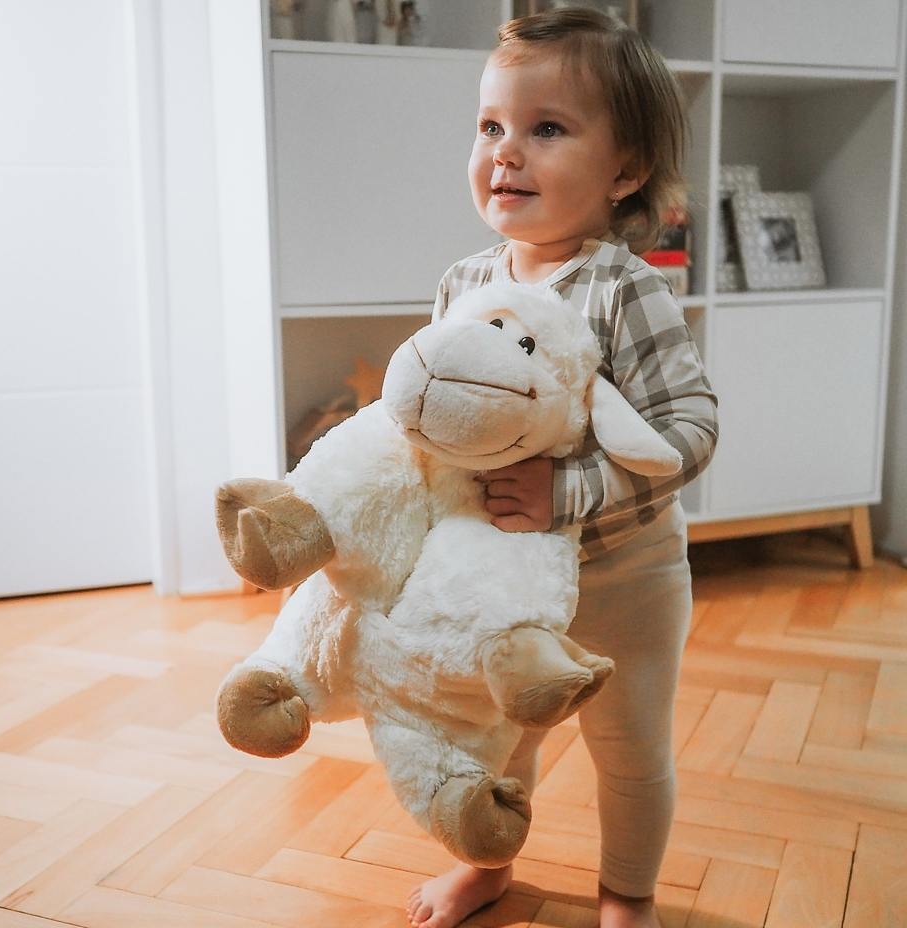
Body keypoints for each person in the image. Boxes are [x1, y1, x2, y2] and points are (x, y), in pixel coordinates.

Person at [405, 9, 719, 928]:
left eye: (546, 128)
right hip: (503, 577)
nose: (506, 152)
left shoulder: (628, 287)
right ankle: (490, 863)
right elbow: (436, 420)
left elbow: (688, 429)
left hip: (626, 577)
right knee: (493, 739)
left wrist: (568, 493)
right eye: (491, 126)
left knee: (628, 753)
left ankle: (627, 894)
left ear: (624, 170)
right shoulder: (465, 284)